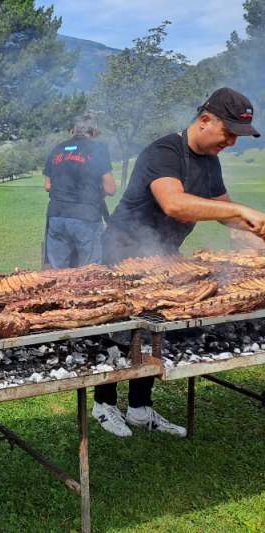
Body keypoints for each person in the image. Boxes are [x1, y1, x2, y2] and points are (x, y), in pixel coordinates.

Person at [94, 87, 264, 438]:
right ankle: (104, 403)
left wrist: (254, 226)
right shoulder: (164, 151)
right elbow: (174, 203)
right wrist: (237, 210)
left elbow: (222, 210)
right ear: (205, 120)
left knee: (154, 333)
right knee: (120, 330)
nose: (232, 142)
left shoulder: (209, 161)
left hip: (165, 257)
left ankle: (140, 408)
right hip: (123, 252)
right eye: (229, 133)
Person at [43, 114, 116, 268]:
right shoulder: (98, 148)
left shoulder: (58, 148)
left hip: (56, 216)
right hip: (85, 217)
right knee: (89, 273)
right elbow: (111, 189)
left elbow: (48, 186)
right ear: (94, 132)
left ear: (73, 131)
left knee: (57, 274)